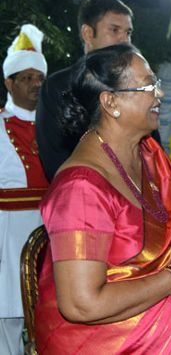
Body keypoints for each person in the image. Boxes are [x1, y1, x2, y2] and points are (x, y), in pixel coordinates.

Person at [35, 44, 171, 354]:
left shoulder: (148, 154)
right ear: (110, 102)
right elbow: (81, 305)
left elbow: (170, 232)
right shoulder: (80, 189)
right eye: (148, 85)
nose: (158, 95)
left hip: (162, 321)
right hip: (108, 343)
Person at [36, 0, 158, 181]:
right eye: (114, 30)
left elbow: (154, 152)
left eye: (128, 33)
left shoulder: (138, 84)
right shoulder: (57, 86)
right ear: (87, 33)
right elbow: (54, 157)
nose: (125, 40)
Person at [0, 24, 49, 355]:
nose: (35, 85)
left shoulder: (54, 126)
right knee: (9, 320)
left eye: (39, 78)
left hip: (48, 230)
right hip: (7, 236)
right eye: (26, 78)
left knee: (46, 316)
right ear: (9, 83)